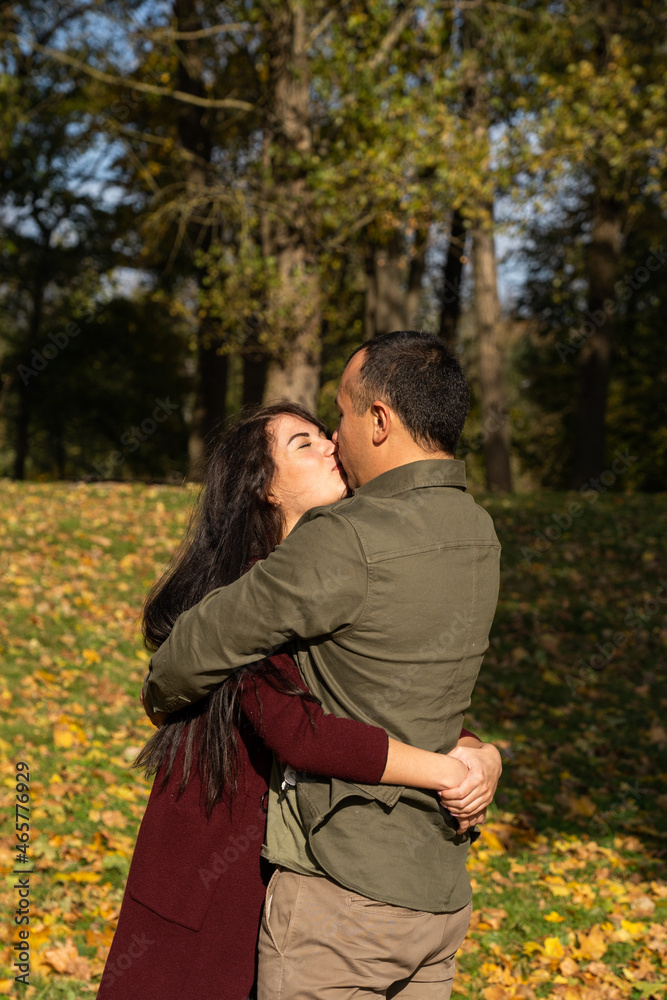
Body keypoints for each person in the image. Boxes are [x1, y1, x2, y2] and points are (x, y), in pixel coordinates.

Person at [143, 331, 502, 1000]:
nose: (333, 438)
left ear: (378, 420)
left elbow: (196, 660)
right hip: (426, 892)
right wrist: (467, 760)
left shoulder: (345, 542)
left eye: (334, 417)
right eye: (305, 441)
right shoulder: (475, 528)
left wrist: (475, 751)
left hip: (340, 900)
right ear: (261, 490)